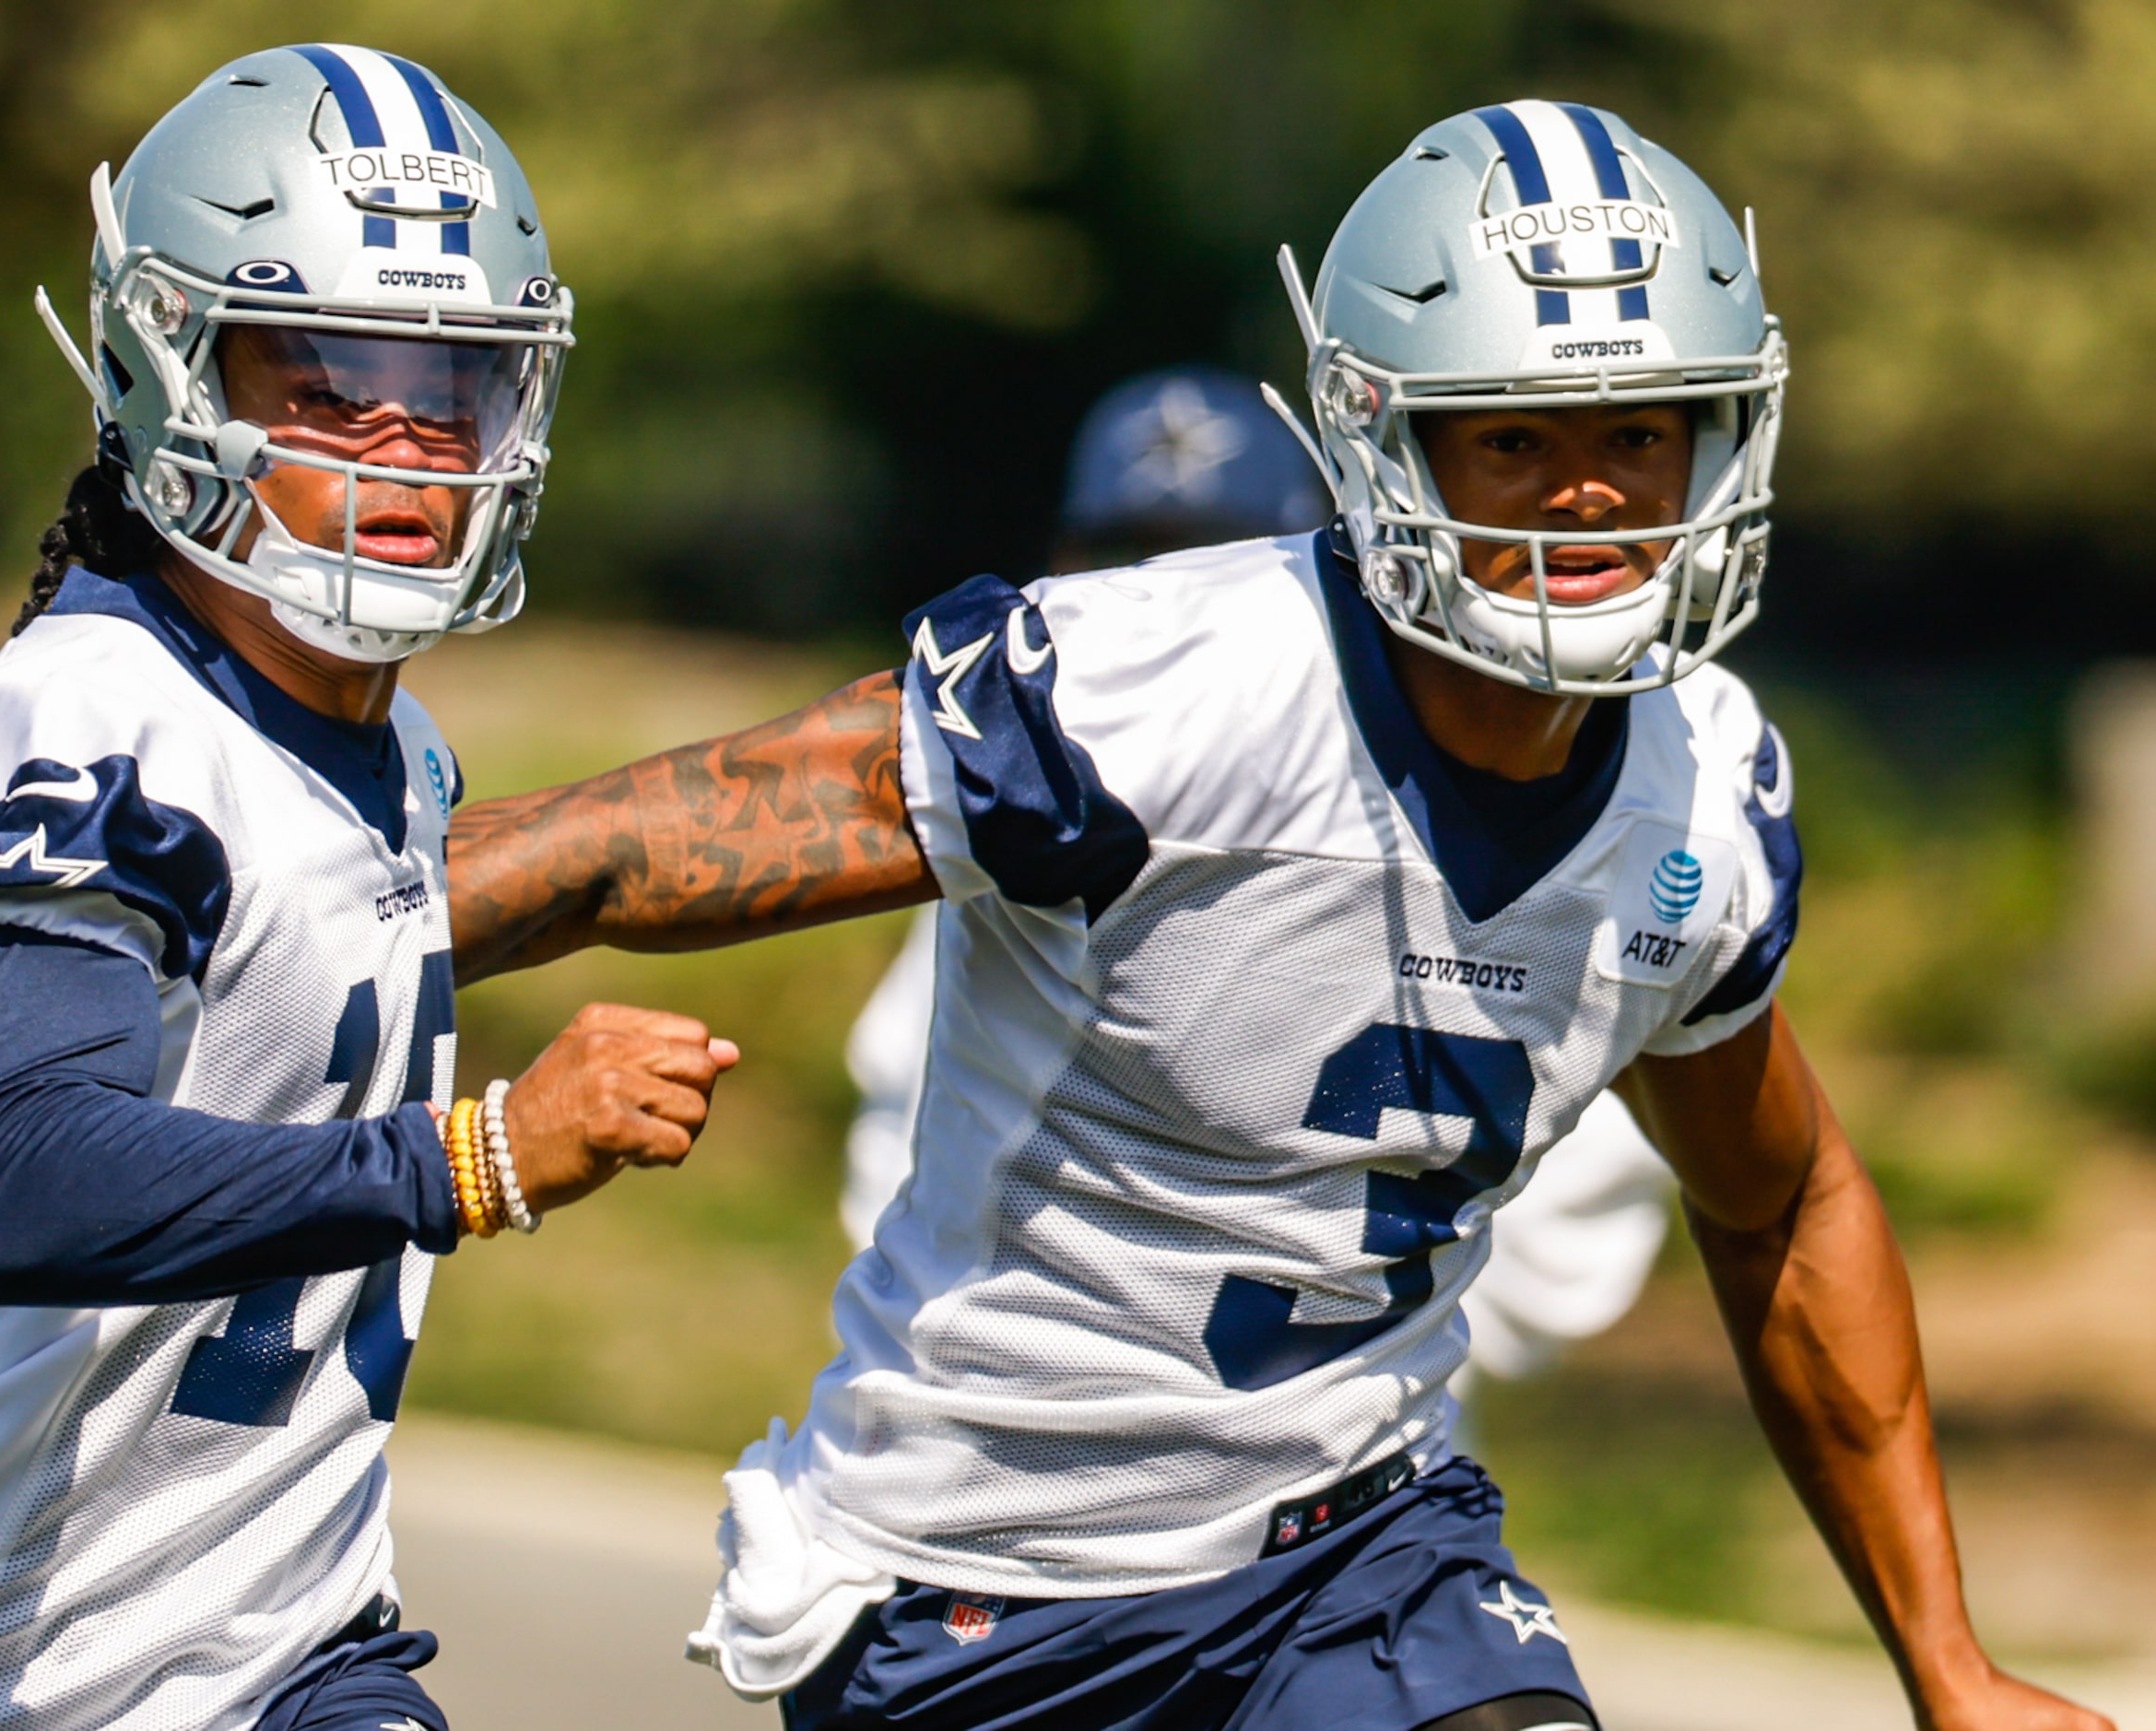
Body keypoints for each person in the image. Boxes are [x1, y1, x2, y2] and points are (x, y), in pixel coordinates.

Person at [428, 102, 2104, 1728]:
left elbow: (1783, 1199)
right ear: (1383, 437)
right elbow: (631, 843)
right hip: (982, 1581)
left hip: (1362, 1553)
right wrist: (286, 936)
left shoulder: (1704, 788)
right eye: (1515, 436)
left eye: (1638, 431)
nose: (1591, 495)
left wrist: (1946, 1665)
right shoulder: (1164, 689)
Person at [0, 46, 734, 1731]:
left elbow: (152, 1052)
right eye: (333, 374)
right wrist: (473, 1153)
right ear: (164, 370)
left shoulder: (395, 751)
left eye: (458, 376)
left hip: (282, 1654)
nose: (411, 438)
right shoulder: (79, 724)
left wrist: (56, 1056)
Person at [841, 366, 1677, 1421]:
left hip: (1357, 1465)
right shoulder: (1035, 810)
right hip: (1032, 1437)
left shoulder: (1455, 821)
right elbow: (902, 1118)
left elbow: (1584, 1162)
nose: (1162, 596)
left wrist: (1420, 1325)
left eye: (1215, 559)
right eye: (1123, 557)